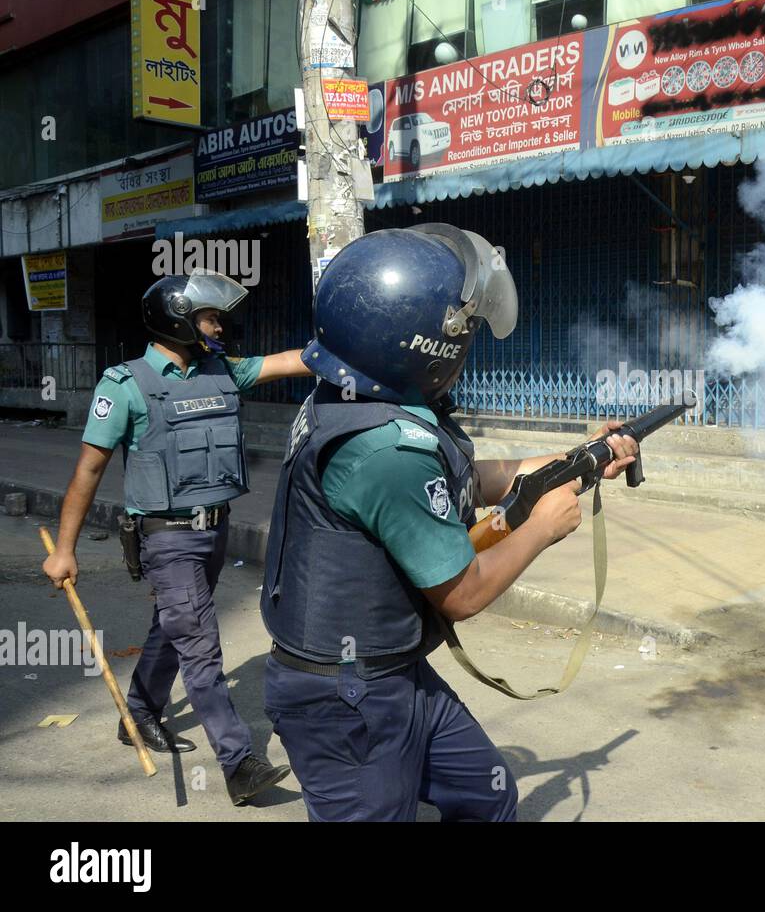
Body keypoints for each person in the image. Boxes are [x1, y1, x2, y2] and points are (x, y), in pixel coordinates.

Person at [259, 224, 638, 822]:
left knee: (486, 796)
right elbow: (462, 593)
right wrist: (540, 527)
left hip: (392, 672)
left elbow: (471, 475)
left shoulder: (352, 398)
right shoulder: (386, 450)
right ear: (427, 347)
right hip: (345, 698)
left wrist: (578, 458)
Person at [42, 270, 313, 806]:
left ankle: (139, 711)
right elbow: (88, 471)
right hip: (165, 538)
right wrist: (67, 549)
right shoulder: (125, 385)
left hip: (216, 532)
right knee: (200, 646)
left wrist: (350, 344)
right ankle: (239, 763)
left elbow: (292, 360)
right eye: (209, 317)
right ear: (177, 321)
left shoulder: (223, 371)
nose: (218, 326)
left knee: (175, 624)